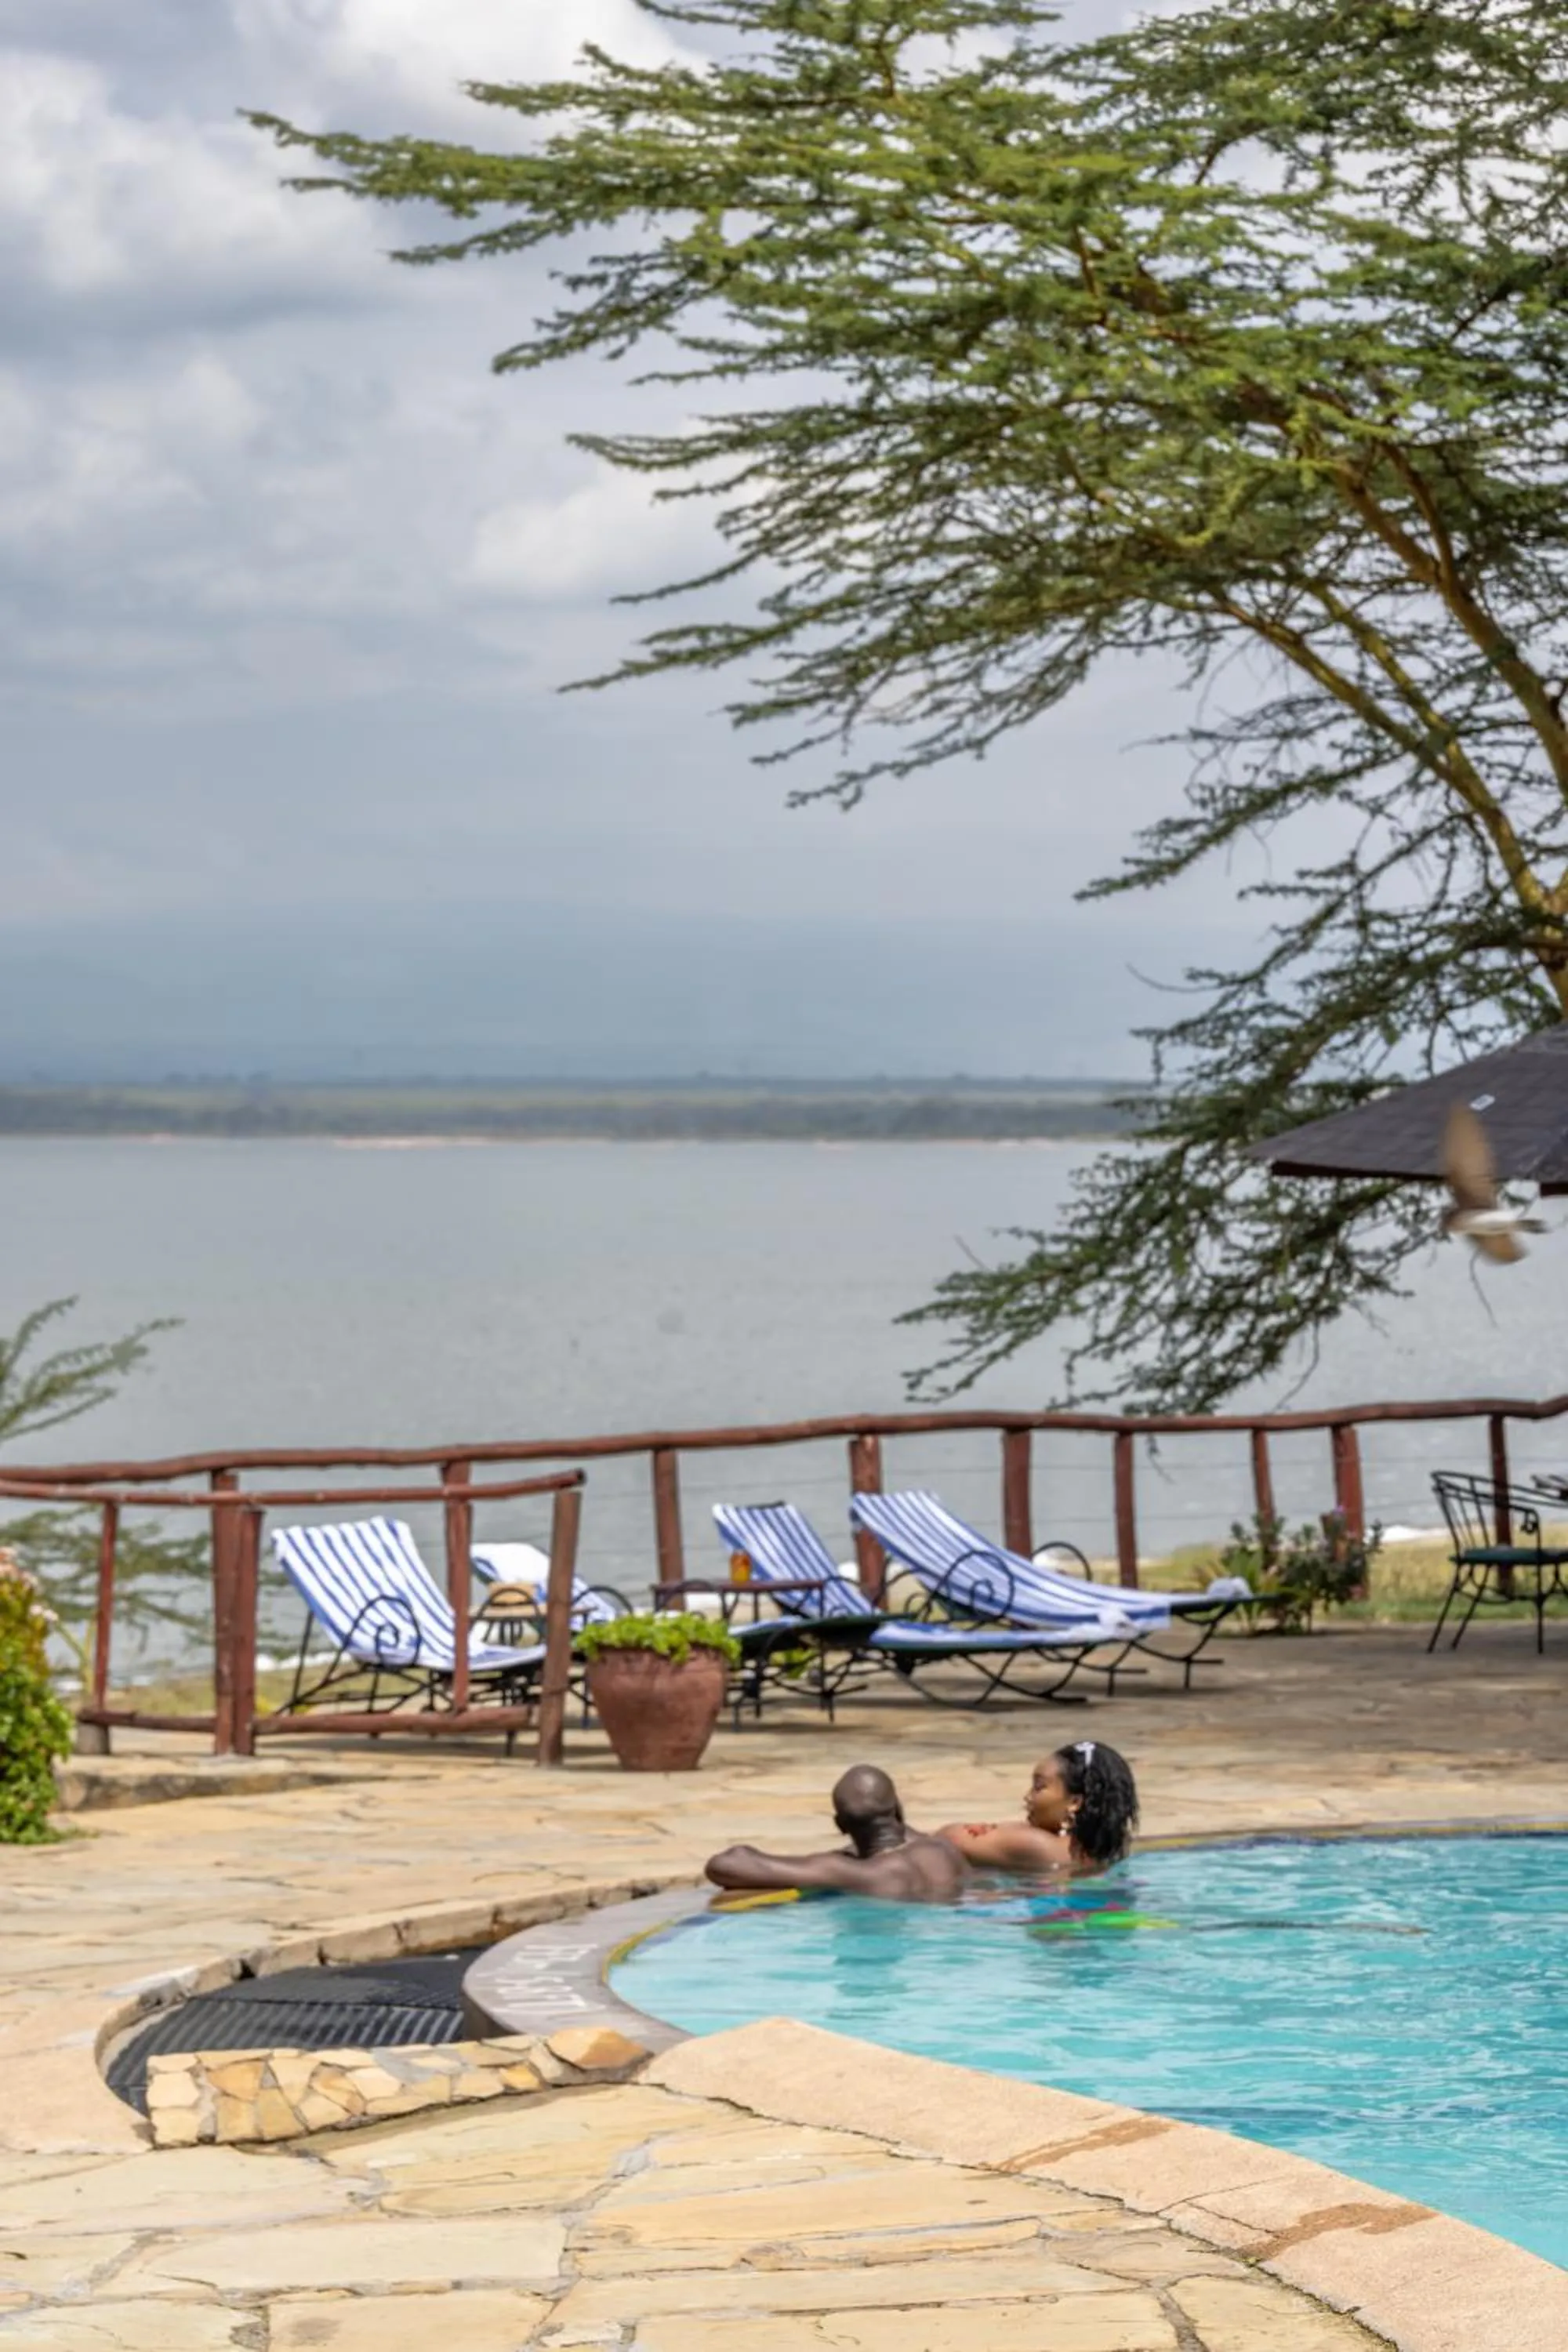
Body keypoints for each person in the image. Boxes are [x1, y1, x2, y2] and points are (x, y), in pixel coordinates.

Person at [704, 1762, 971, 1902]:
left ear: (840, 1825)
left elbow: (726, 1864)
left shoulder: (849, 1871)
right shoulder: (943, 1849)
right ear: (898, 1809)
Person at [938, 1740, 1138, 1875]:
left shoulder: (1040, 1846)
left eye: (1039, 1787)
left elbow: (949, 1837)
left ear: (1075, 1803)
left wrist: (1000, 1830)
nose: (1028, 1797)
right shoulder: (1116, 1845)